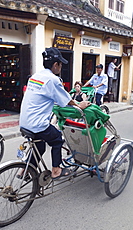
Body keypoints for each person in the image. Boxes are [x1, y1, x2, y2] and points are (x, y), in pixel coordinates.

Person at [20, 47, 91, 180]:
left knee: (40, 146)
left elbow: (45, 97)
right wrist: (79, 105)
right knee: (57, 139)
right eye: (60, 64)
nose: (60, 67)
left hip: (24, 122)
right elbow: (66, 99)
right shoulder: (53, 79)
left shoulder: (35, 76)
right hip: (37, 124)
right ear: (55, 65)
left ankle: (25, 169)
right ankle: (56, 170)